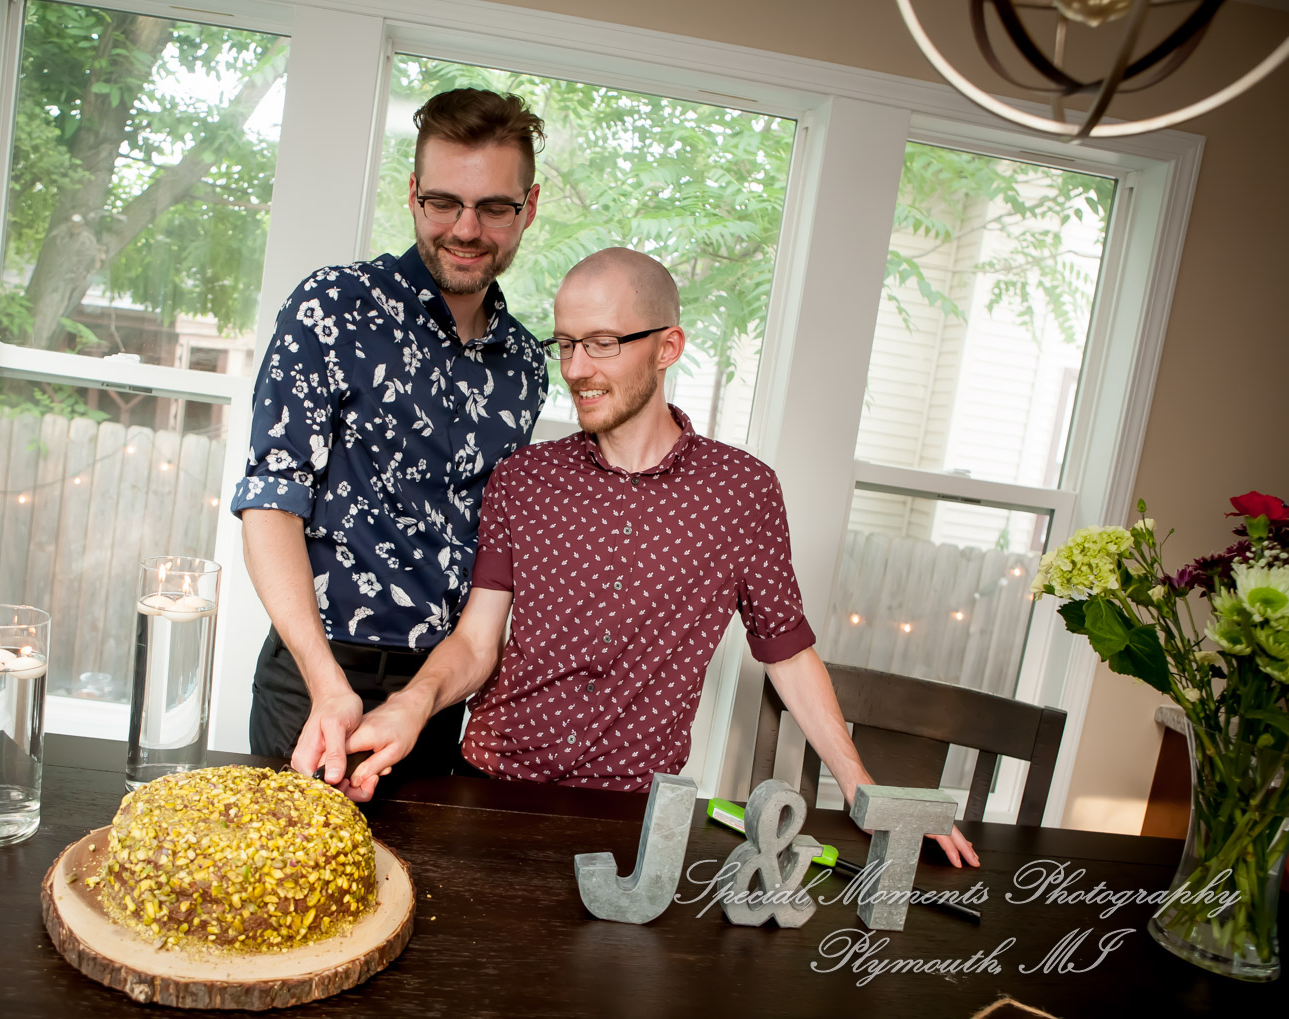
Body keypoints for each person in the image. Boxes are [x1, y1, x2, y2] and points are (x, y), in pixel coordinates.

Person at [341, 247, 981, 868]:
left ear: (667, 347)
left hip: (636, 814)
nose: (574, 368)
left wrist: (861, 787)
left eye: (602, 342)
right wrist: (413, 702)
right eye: (565, 343)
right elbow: (477, 643)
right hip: (493, 789)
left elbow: (785, 650)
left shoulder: (741, 492)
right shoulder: (524, 478)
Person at [230, 89, 548, 787]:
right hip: (315, 681)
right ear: (412, 196)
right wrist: (324, 682)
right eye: (444, 202)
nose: (466, 228)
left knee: (416, 891)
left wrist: (425, 697)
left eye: (494, 206)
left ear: (527, 207)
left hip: (435, 702)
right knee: (290, 888)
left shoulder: (526, 365)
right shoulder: (331, 307)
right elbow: (269, 505)